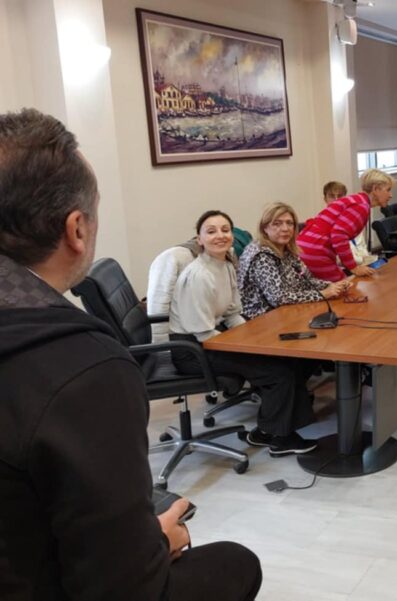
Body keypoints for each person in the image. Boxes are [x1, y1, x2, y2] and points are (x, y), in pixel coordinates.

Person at [0, 108, 261, 599]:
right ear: (77, 229)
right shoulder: (84, 369)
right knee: (236, 562)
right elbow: (122, 585)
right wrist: (158, 542)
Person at [171, 210, 318, 456]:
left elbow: (232, 312)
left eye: (225, 230)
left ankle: (267, 430)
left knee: (288, 358)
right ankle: (279, 440)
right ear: (199, 240)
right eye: (211, 231)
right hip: (193, 349)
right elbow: (203, 332)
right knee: (277, 372)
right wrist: (248, 350)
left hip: (216, 336)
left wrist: (255, 338)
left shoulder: (226, 264)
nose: (220, 235)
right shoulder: (199, 276)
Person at [237, 202, 351, 320]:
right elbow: (278, 298)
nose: (285, 229)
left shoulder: (287, 249)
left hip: (287, 311)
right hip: (261, 319)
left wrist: (333, 285)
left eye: (289, 223)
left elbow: (307, 280)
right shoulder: (261, 255)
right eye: (277, 224)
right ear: (265, 228)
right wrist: (323, 294)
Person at [298, 168, 394, 281]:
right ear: (376, 189)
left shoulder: (357, 200)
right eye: (388, 190)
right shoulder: (361, 206)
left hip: (305, 248)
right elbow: (339, 235)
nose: (391, 195)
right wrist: (353, 267)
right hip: (316, 251)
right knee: (343, 286)